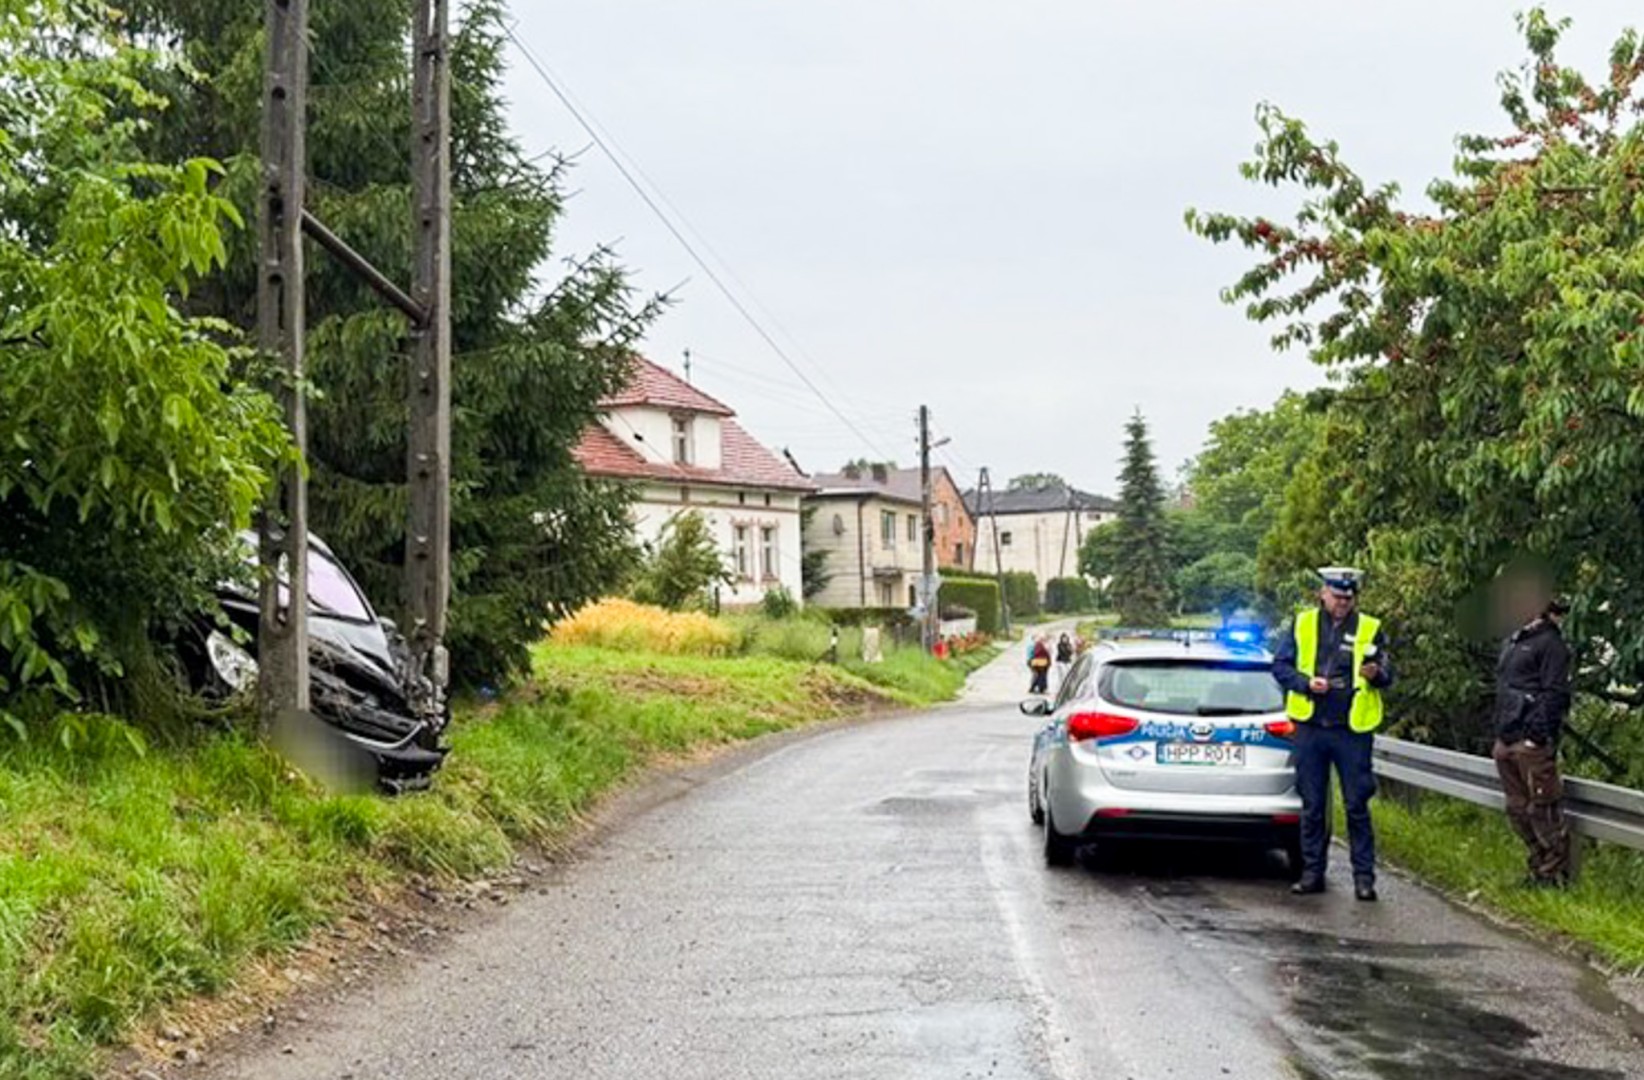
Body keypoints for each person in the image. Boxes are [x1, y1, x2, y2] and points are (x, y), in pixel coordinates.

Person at [1271, 567, 1394, 901]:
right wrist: (1306, 684)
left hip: (1351, 730)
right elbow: (1280, 667)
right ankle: (1312, 873)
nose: (1342, 603)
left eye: (1348, 598)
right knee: (1312, 806)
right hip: (1311, 726)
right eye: (1337, 597)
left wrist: (1376, 673)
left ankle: (1364, 878)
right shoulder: (1303, 624)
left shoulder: (1370, 627)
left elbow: (1387, 674)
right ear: (1323, 594)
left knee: (1356, 805)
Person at [1492, 587, 1574, 888]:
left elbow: (1555, 694)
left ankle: (1553, 876)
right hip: (1507, 737)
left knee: (1543, 808)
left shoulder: (1551, 644)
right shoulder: (1514, 640)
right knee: (1517, 809)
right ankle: (1537, 866)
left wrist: (1536, 737)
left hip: (1531, 743)